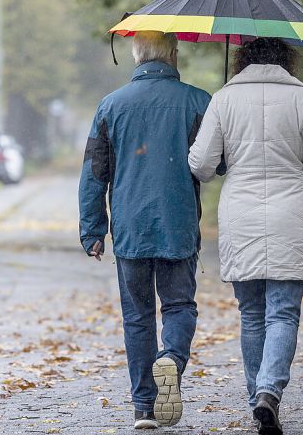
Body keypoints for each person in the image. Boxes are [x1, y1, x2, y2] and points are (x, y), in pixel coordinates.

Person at [188, 37, 303, 435]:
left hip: (241, 214)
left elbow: (203, 166)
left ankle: (255, 397)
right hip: (290, 215)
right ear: (286, 60)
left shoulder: (224, 98)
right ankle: (268, 393)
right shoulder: (302, 99)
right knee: (282, 313)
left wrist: (216, 150)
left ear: (242, 59)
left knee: (253, 314)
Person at [79, 31, 215, 429]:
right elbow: (215, 164)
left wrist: (92, 230)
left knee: (137, 316)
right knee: (178, 305)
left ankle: (144, 408)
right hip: (178, 223)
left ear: (137, 56)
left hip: (130, 226)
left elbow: (94, 174)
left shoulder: (110, 106)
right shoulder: (197, 101)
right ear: (173, 55)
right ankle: (171, 357)